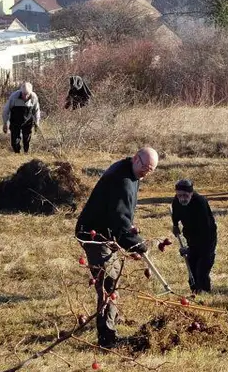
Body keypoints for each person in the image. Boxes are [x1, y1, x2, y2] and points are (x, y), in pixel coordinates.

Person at [74, 147, 159, 348]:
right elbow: (120, 220)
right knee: (108, 285)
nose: (147, 172)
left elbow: (121, 217)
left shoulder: (129, 171)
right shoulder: (122, 181)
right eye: (146, 167)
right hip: (94, 236)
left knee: (113, 278)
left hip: (106, 232)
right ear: (136, 158)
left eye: (151, 170)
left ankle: (112, 320)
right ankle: (107, 339)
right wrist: (136, 244)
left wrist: (129, 235)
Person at [170, 179, 217, 294]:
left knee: (202, 270)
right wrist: (175, 225)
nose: (182, 199)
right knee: (191, 268)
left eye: (185, 195)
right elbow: (175, 215)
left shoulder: (200, 202)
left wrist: (190, 249)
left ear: (191, 193)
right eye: (179, 195)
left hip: (207, 239)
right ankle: (195, 292)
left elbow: (204, 229)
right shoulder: (176, 201)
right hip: (190, 237)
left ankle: (205, 293)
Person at [1, 82, 41, 153]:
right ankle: (17, 153)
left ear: (30, 93)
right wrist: (5, 123)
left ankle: (26, 152)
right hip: (15, 121)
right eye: (24, 94)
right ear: (21, 92)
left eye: (27, 94)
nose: (25, 97)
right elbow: (6, 110)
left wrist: (37, 123)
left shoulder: (34, 97)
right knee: (15, 141)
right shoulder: (14, 97)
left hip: (28, 120)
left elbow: (36, 111)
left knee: (26, 139)